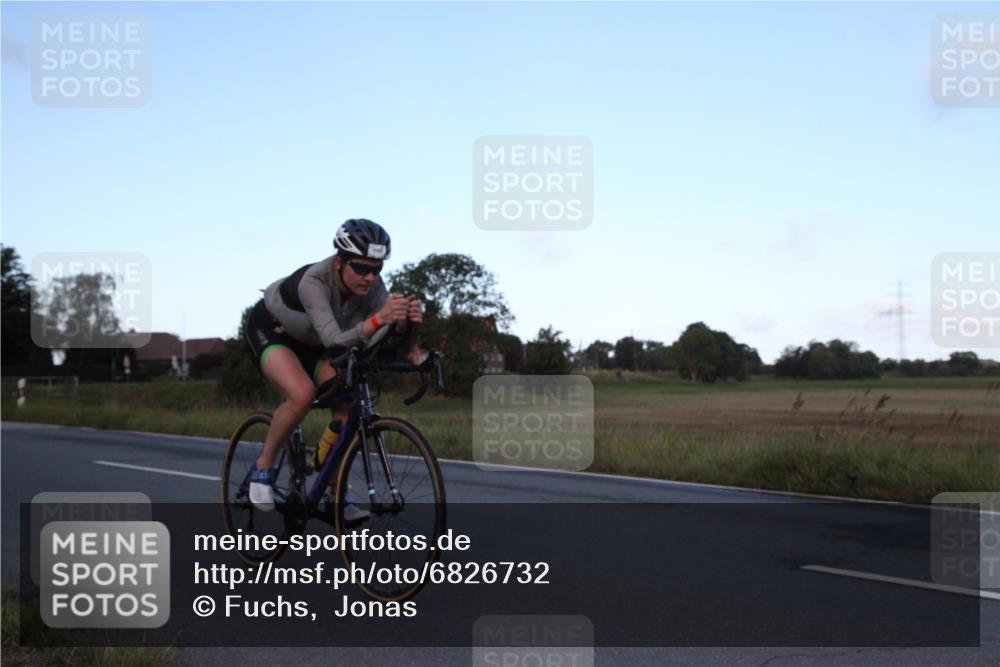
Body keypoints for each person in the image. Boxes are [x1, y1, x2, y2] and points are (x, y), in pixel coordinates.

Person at [243, 218, 423, 513]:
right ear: (339, 262)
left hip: (316, 345)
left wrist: (401, 326)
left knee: (348, 405)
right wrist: (380, 319)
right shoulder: (314, 280)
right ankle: (263, 466)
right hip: (273, 332)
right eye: (361, 268)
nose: (370, 277)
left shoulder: (374, 287)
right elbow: (337, 342)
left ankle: (335, 494)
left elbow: (371, 343)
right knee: (302, 395)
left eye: (376, 269)